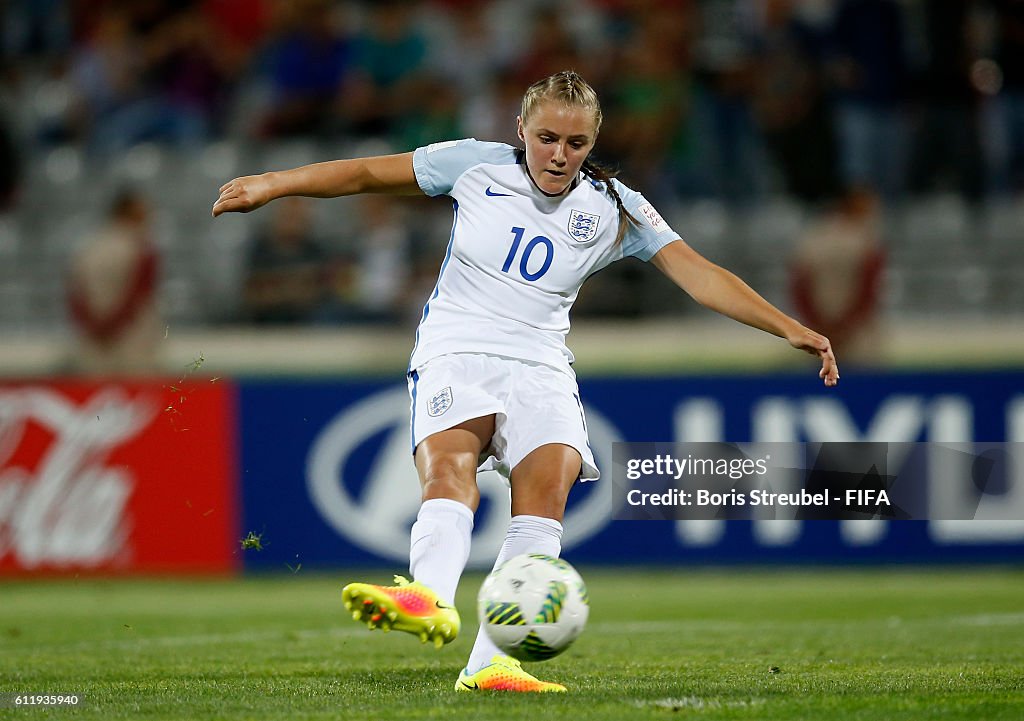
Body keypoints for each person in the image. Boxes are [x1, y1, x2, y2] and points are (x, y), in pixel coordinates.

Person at [212, 70, 839, 693]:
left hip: (540, 363)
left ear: (593, 142)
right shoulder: (474, 166)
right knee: (450, 464)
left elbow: (699, 274)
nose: (559, 156)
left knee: (548, 491)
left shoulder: (617, 206)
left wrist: (788, 328)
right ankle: (428, 595)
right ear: (521, 130)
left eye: (575, 144)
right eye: (546, 139)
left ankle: (489, 663)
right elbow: (366, 173)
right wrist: (272, 184)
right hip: (456, 348)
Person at [67, 188, 163, 375]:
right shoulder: (141, 247)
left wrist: (94, 326)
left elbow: (75, 296)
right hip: (132, 338)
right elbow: (139, 291)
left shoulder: (89, 247)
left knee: (95, 392)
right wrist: (113, 326)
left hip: (93, 337)